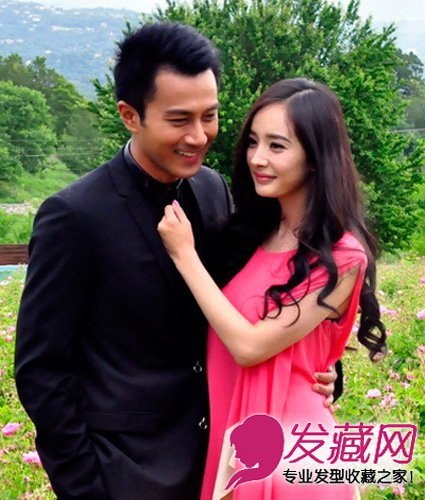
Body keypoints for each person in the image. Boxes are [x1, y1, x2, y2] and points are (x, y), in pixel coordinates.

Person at [15, 23, 337, 500]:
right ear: (130, 115)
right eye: (179, 119)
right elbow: (41, 369)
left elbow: (251, 298)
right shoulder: (75, 215)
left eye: (210, 116)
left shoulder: (212, 189)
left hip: (224, 460)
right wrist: (87, 487)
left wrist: (314, 368)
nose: (199, 136)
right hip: (127, 472)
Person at [158, 78, 387, 499]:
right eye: (253, 142)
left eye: (277, 146)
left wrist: (184, 255)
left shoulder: (342, 255)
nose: (257, 158)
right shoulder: (255, 233)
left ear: (315, 159)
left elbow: (250, 346)